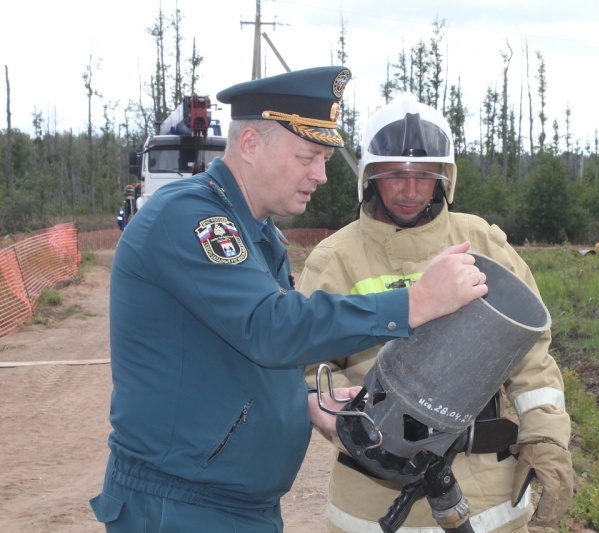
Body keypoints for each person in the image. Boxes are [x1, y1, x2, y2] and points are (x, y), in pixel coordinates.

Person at [90, 68, 489, 532]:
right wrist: (414, 303)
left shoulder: (258, 234)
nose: (320, 175)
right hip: (182, 505)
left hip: (234, 504)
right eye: (308, 156)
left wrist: (302, 401)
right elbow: (270, 327)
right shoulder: (188, 217)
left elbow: (234, 350)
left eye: (324, 158)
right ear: (251, 146)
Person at [298, 92, 573, 532]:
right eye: (394, 175)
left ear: (444, 179)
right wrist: (362, 418)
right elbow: (307, 365)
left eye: (424, 176)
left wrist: (546, 434)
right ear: (370, 177)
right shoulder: (335, 260)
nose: (409, 190)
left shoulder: (481, 243)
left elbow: (531, 354)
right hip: (372, 503)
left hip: (486, 499)